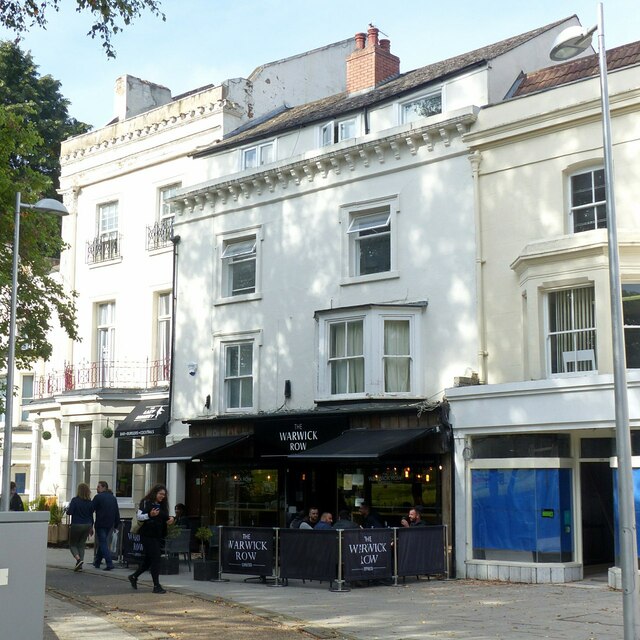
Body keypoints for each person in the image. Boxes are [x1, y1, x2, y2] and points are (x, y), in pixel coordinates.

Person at [128, 484, 175, 594]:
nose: (162, 496)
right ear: (155, 493)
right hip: (147, 535)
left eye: (164, 495)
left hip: (158, 534)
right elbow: (139, 516)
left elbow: (165, 517)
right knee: (156, 559)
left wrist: (172, 519)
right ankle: (156, 585)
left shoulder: (162, 504)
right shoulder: (146, 502)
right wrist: (150, 515)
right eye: (160, 494)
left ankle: (134, 576)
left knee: (149, 560)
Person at [92, 480, 120, 570]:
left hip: (100, 523)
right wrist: (116, 524)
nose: (97, 488)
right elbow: (116, 511)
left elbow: (91, 509)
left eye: (98, 486)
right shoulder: (113, 498)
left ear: (104, 487)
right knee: (102, 542)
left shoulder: (98, 497)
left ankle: (109, 563)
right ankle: (97, 561)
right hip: (110, 523)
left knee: (103, 543)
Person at [67, 482, 95, 571]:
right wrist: (91, 527)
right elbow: (91, 515)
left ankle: (78, 560)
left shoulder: (75, 500)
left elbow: (69, 512)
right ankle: (80, 565)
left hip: (77, 524)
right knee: (81, 545)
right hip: (87, 525)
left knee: (73, 544)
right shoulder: (90, 502)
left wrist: (67, 509)